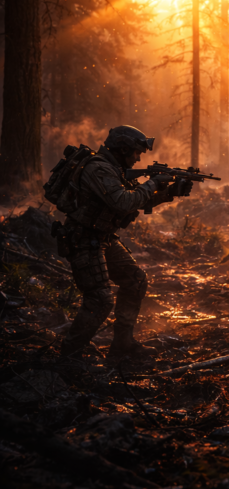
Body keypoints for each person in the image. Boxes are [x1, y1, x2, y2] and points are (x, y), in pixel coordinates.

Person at [56, 126, 189, 364]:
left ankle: (122, 346)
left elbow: (133, 202)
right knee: (99, 299)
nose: (138, 158)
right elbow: (123, 201)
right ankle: (69, 357)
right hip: (83, 239)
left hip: (102, 238)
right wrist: (152, 183)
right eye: (136, 152)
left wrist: (169, 193)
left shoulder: (114, 170)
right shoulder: (99, 168)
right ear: (123, 148)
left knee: (135, 280)